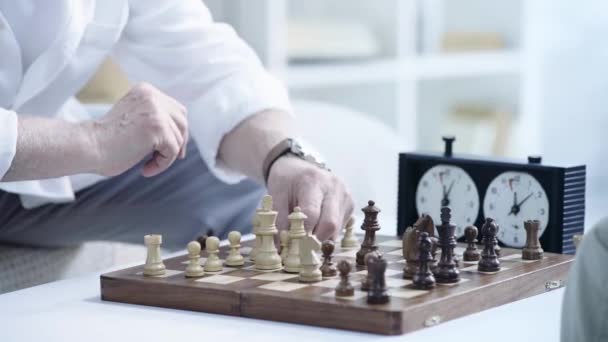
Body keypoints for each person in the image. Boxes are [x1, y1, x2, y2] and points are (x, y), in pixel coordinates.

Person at [0, 1, 353, 249]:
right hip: (23, 155)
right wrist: (93, 143)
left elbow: (198, 57)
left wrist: (284, 155)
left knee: (267, 196)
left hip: (35, 164)